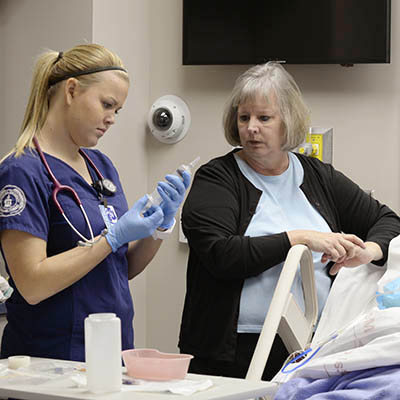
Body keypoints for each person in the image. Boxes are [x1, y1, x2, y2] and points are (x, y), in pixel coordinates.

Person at [178, 61, 400, 380]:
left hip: (314, 345)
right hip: (232, 353)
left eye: (264, 118)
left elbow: (387, 219)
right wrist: (301, 238)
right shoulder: (217, 178)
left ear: (288, 122)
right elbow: (221, 255)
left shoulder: (317, 176)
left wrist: (370, 251)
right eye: (244, 117)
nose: (251, 127)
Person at [0, 43, 190, 362]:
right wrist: (110, 238)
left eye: (117, 111)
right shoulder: (21, 171)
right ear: (71, 90)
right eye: (107, 104)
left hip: (110, 353)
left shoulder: (99, 166)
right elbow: (31, 284)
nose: (112, 119)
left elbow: (121, 267)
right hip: (50, 360)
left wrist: (160, 227)